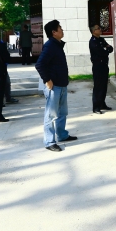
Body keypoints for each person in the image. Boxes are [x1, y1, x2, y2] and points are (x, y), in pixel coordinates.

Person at [35, 20, 76, 152]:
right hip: (54, 87)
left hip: (62, 84)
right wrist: (47, 80)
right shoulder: (50, 46)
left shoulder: (57, 45)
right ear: (54, 32)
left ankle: (62, 135)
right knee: (51, 115)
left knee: (62, 112)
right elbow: (39, 64)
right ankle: (49, 142)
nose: (62, 30)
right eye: (60, 28)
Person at [88, 24, 113, 114]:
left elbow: (110, 48)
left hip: (104, 65)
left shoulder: (101, 40)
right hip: (97, 66)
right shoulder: (93, 41)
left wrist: (107, 49)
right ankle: (96, 107)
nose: (100, 29)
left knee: (104, 86)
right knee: (98, 86)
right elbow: (102, 52)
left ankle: (102, 104)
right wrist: (106, 50)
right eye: (98, 28)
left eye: (100, 28)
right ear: (93, 31)